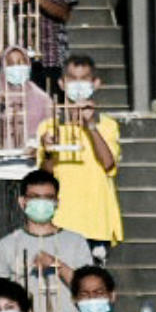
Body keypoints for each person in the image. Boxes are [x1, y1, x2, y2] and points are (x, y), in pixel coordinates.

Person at [0, 45, 51, 261]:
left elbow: (49, 133)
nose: (17, 68)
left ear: (29, 65)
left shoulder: (42, 100)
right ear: (3, 68)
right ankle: (0, 279)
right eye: (11, 64)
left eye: (21, 62)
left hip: (27, 174)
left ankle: (23, 281)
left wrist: (37, 146)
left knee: (26, 237)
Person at [0, 166, 94, 312]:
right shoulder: (6, 244)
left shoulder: (76, 241)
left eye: (48, 198)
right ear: (22, 202)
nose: (42, 203)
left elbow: (89, 290)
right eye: (35, 197)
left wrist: (57, 265)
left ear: (57, 203)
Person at [42, 54, 123, 254]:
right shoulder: (49, 127)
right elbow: (44, 175)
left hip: (96, 222)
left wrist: (91, 126)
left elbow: (109, 165)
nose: (78, 85)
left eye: (84, 79)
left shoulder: (107, 125)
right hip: (61, 220)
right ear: (62, 84)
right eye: (72, 79)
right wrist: (49, 152)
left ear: (95, 83)